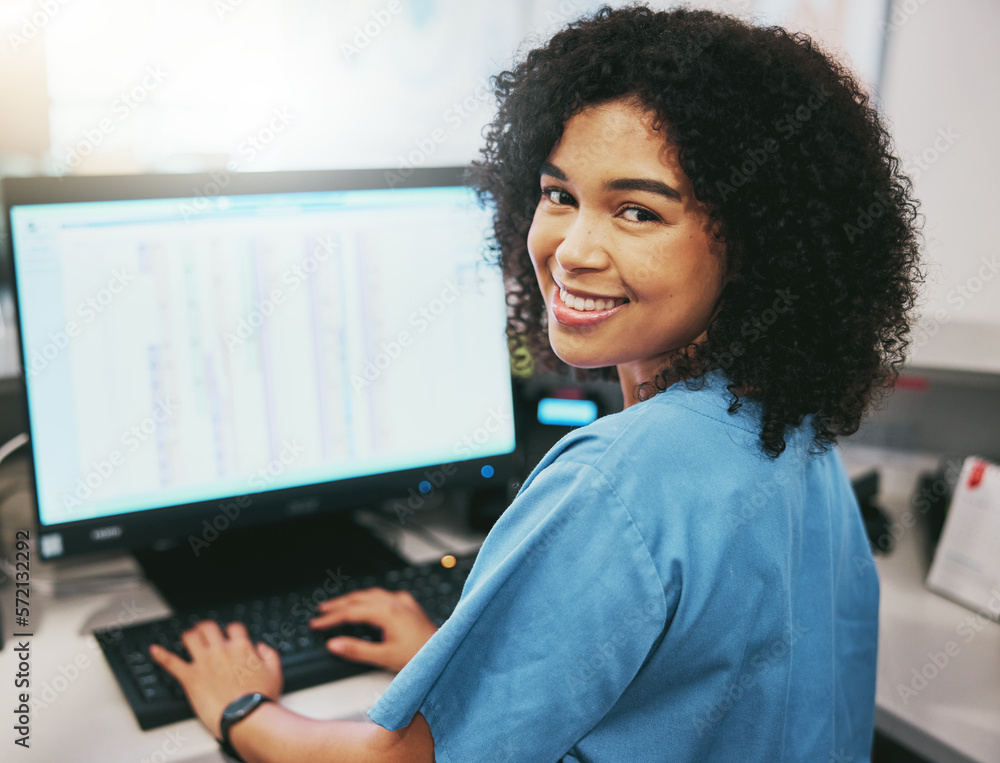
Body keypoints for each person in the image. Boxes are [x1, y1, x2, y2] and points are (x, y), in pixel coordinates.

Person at [150, 6, 921, 761]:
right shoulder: (797, 437)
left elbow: (397, 762)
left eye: (636, 211)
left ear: (759, 244)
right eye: (559, 195)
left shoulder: (612, 484)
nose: (572, 250)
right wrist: (466, 659)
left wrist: (241, 707)